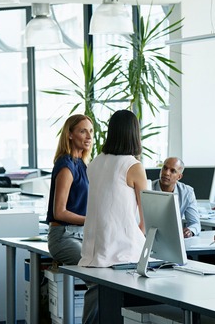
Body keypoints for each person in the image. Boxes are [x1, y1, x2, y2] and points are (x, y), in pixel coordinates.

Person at [79, 109, 149, 323]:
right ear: (134, 134)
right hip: (121, 252)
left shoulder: (95, 162)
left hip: (95, 249)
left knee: (97, 305)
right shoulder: (133, 166)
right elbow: (146, 217)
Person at [44, 114, 95, 323]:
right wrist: (91, 220)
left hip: (81, 235)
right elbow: (60, 212)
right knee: (98, 281)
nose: (89, 136)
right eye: (83, 131)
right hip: (63, 237)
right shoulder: (66, 165)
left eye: (91, 131)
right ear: (70, 134)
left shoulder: (82, 163)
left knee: (110, 276)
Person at [152, 157, 201, 238]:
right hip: (150, 236)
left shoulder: (187, 192)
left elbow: (195, 223)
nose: (166, 173)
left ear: (179, 177)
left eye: (173, 171)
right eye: (165, 168)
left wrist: (190, 231)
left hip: (173, 238)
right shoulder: (148, 188)